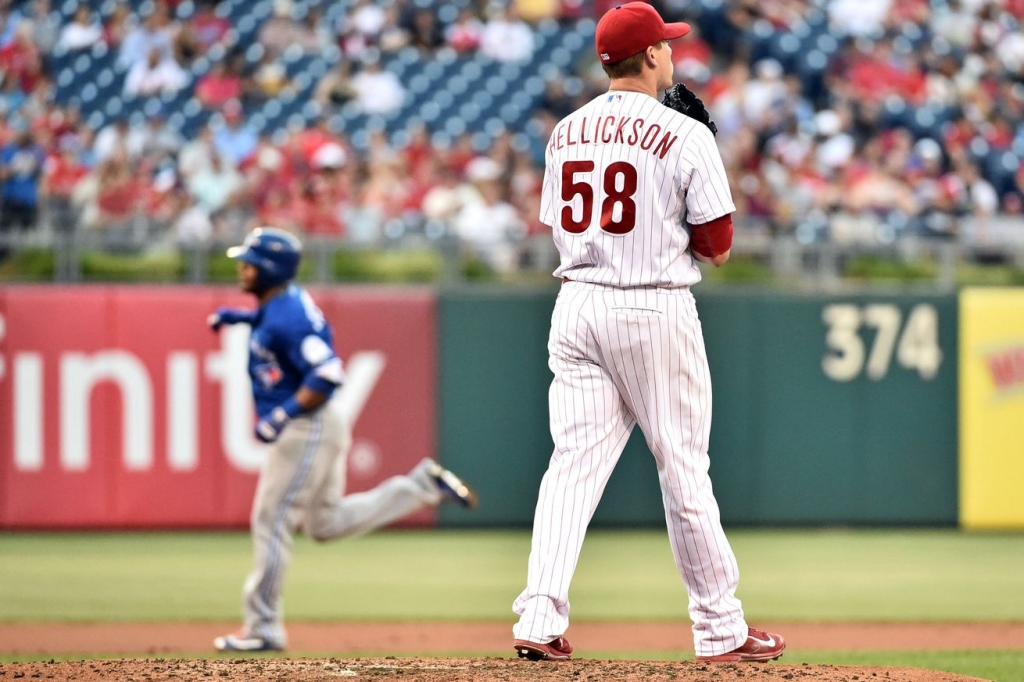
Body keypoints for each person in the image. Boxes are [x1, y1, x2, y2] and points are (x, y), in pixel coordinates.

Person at [510, 2, 786, 664]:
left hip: (576, 305)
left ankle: (538, 615)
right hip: (653, 308)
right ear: (653, 56)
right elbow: (717, 248)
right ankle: (721, 627)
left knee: (571, 468)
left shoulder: (565, 133)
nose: (673, 54)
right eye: (666, 45)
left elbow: (563, 223)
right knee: (684, 469)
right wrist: (699, 158)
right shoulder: (686, 135)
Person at [209, 227, 478, 652]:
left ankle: (263, 627)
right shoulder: (279, 303)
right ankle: (421, 486)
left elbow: (328, 372)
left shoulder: (288, 315)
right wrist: (239, 318)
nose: (242, 268)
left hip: (307, 425)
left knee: (272, 518)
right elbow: (279, 328)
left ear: (270, 269)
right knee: (325, 523)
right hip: (320, 424)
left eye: (250, 262)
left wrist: (282, 414)